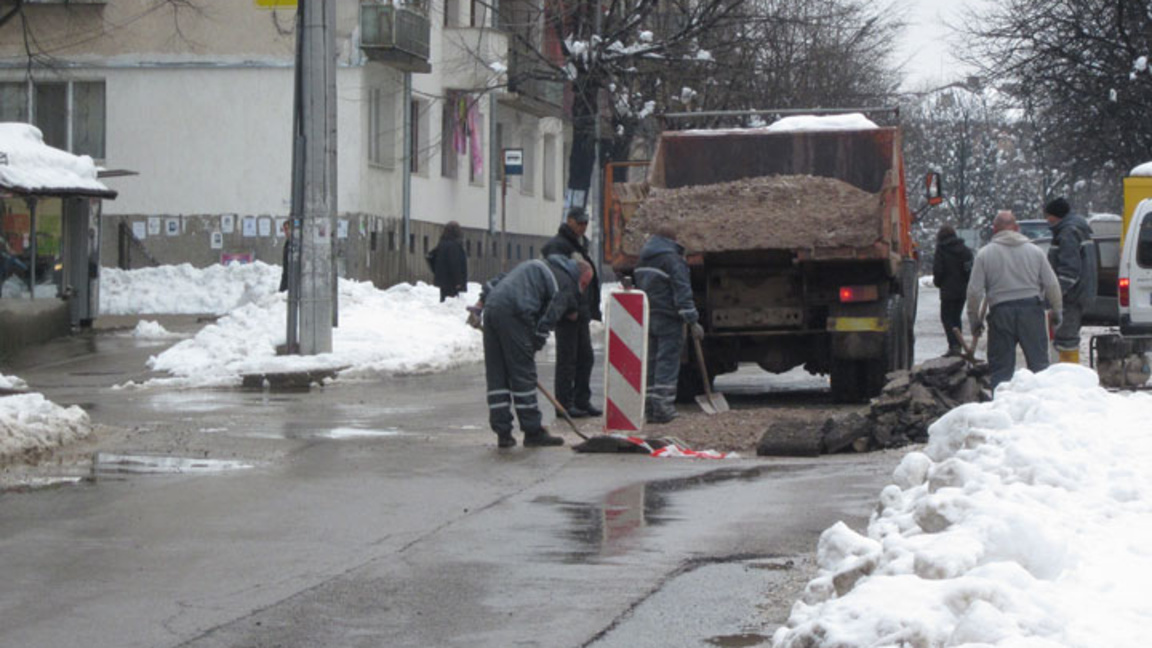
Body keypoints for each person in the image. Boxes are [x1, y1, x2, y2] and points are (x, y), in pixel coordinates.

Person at [478, 254, 593, 448]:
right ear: (579, 276)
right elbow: (549, 318)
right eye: (584, 283)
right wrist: (534, 344)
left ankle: (503, 433)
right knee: (524, 376)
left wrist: (480, 303)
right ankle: (533, 432)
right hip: (515, 312)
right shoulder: (564, 283)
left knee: (497, 374)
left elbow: (501, 279)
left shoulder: (539, 264)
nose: (583, 288)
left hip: (492, 308)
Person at [966, 210, 1063, 389]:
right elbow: (1051, 284)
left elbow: (974, 291)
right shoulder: (1035, 252)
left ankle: (1001, 401)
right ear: (1017, 228)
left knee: (1001, 371)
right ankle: (1041, 402)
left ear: (994, 230)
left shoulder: (985, 254)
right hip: (1032, 311)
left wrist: (974, 319)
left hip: (1001, 313)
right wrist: (1057, 310)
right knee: (1039, 367)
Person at [634, 225, 702, 423]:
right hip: (668, 318)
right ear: (672, 240)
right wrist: (692, 320)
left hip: (648, 315)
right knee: (667, 361)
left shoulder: (643, 258)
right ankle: (663, 408)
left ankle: (650, 407)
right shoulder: (672, 259)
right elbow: (682, 290)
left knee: (652, 361)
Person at [540, 207, 602, 418]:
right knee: (567, 360)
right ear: (569, 221)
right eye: (580, 223)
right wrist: (569, 308)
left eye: (586, 223)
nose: (583, 227)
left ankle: (581, 400)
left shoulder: (578, 244)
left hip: (580, 311)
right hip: (567, 312)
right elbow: (561, 281)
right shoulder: (558, 246)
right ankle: (564, 405)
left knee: (585, 357)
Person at [1044, 197, 1097, 363]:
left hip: (1071, 297)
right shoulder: (1078, 229)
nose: (1047, 219)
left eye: (1048, 215)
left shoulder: (1068, 233)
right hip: (1080, 294)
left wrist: (1055, 295)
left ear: (1056, 215)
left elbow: (1069, 271)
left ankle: (1069, 373)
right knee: (1068, 338)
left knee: (1066, 340)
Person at [933, 225, 974, 356]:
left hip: (947, 291)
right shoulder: (965, 250)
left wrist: (938, 282)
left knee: (946, 318)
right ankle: (958, 345)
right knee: (956, 317)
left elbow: (938, 270)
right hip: (962, 291)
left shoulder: (941, 250)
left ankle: (953, 345)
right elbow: (969, 270)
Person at [427, 221, 468, 302]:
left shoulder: (442, 244)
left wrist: (436, 271)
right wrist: (458, 281)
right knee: (451, 301)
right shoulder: (454, 245)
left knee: (444, 299)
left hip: (443, 279)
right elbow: (455, 264)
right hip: (452, 281)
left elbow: (431, 256)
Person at [278, 219, 293, 293]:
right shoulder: (287, 243)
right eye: (284, 230)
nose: (286, 232)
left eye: (287, 229)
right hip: (287, 277)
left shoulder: (294, 243)